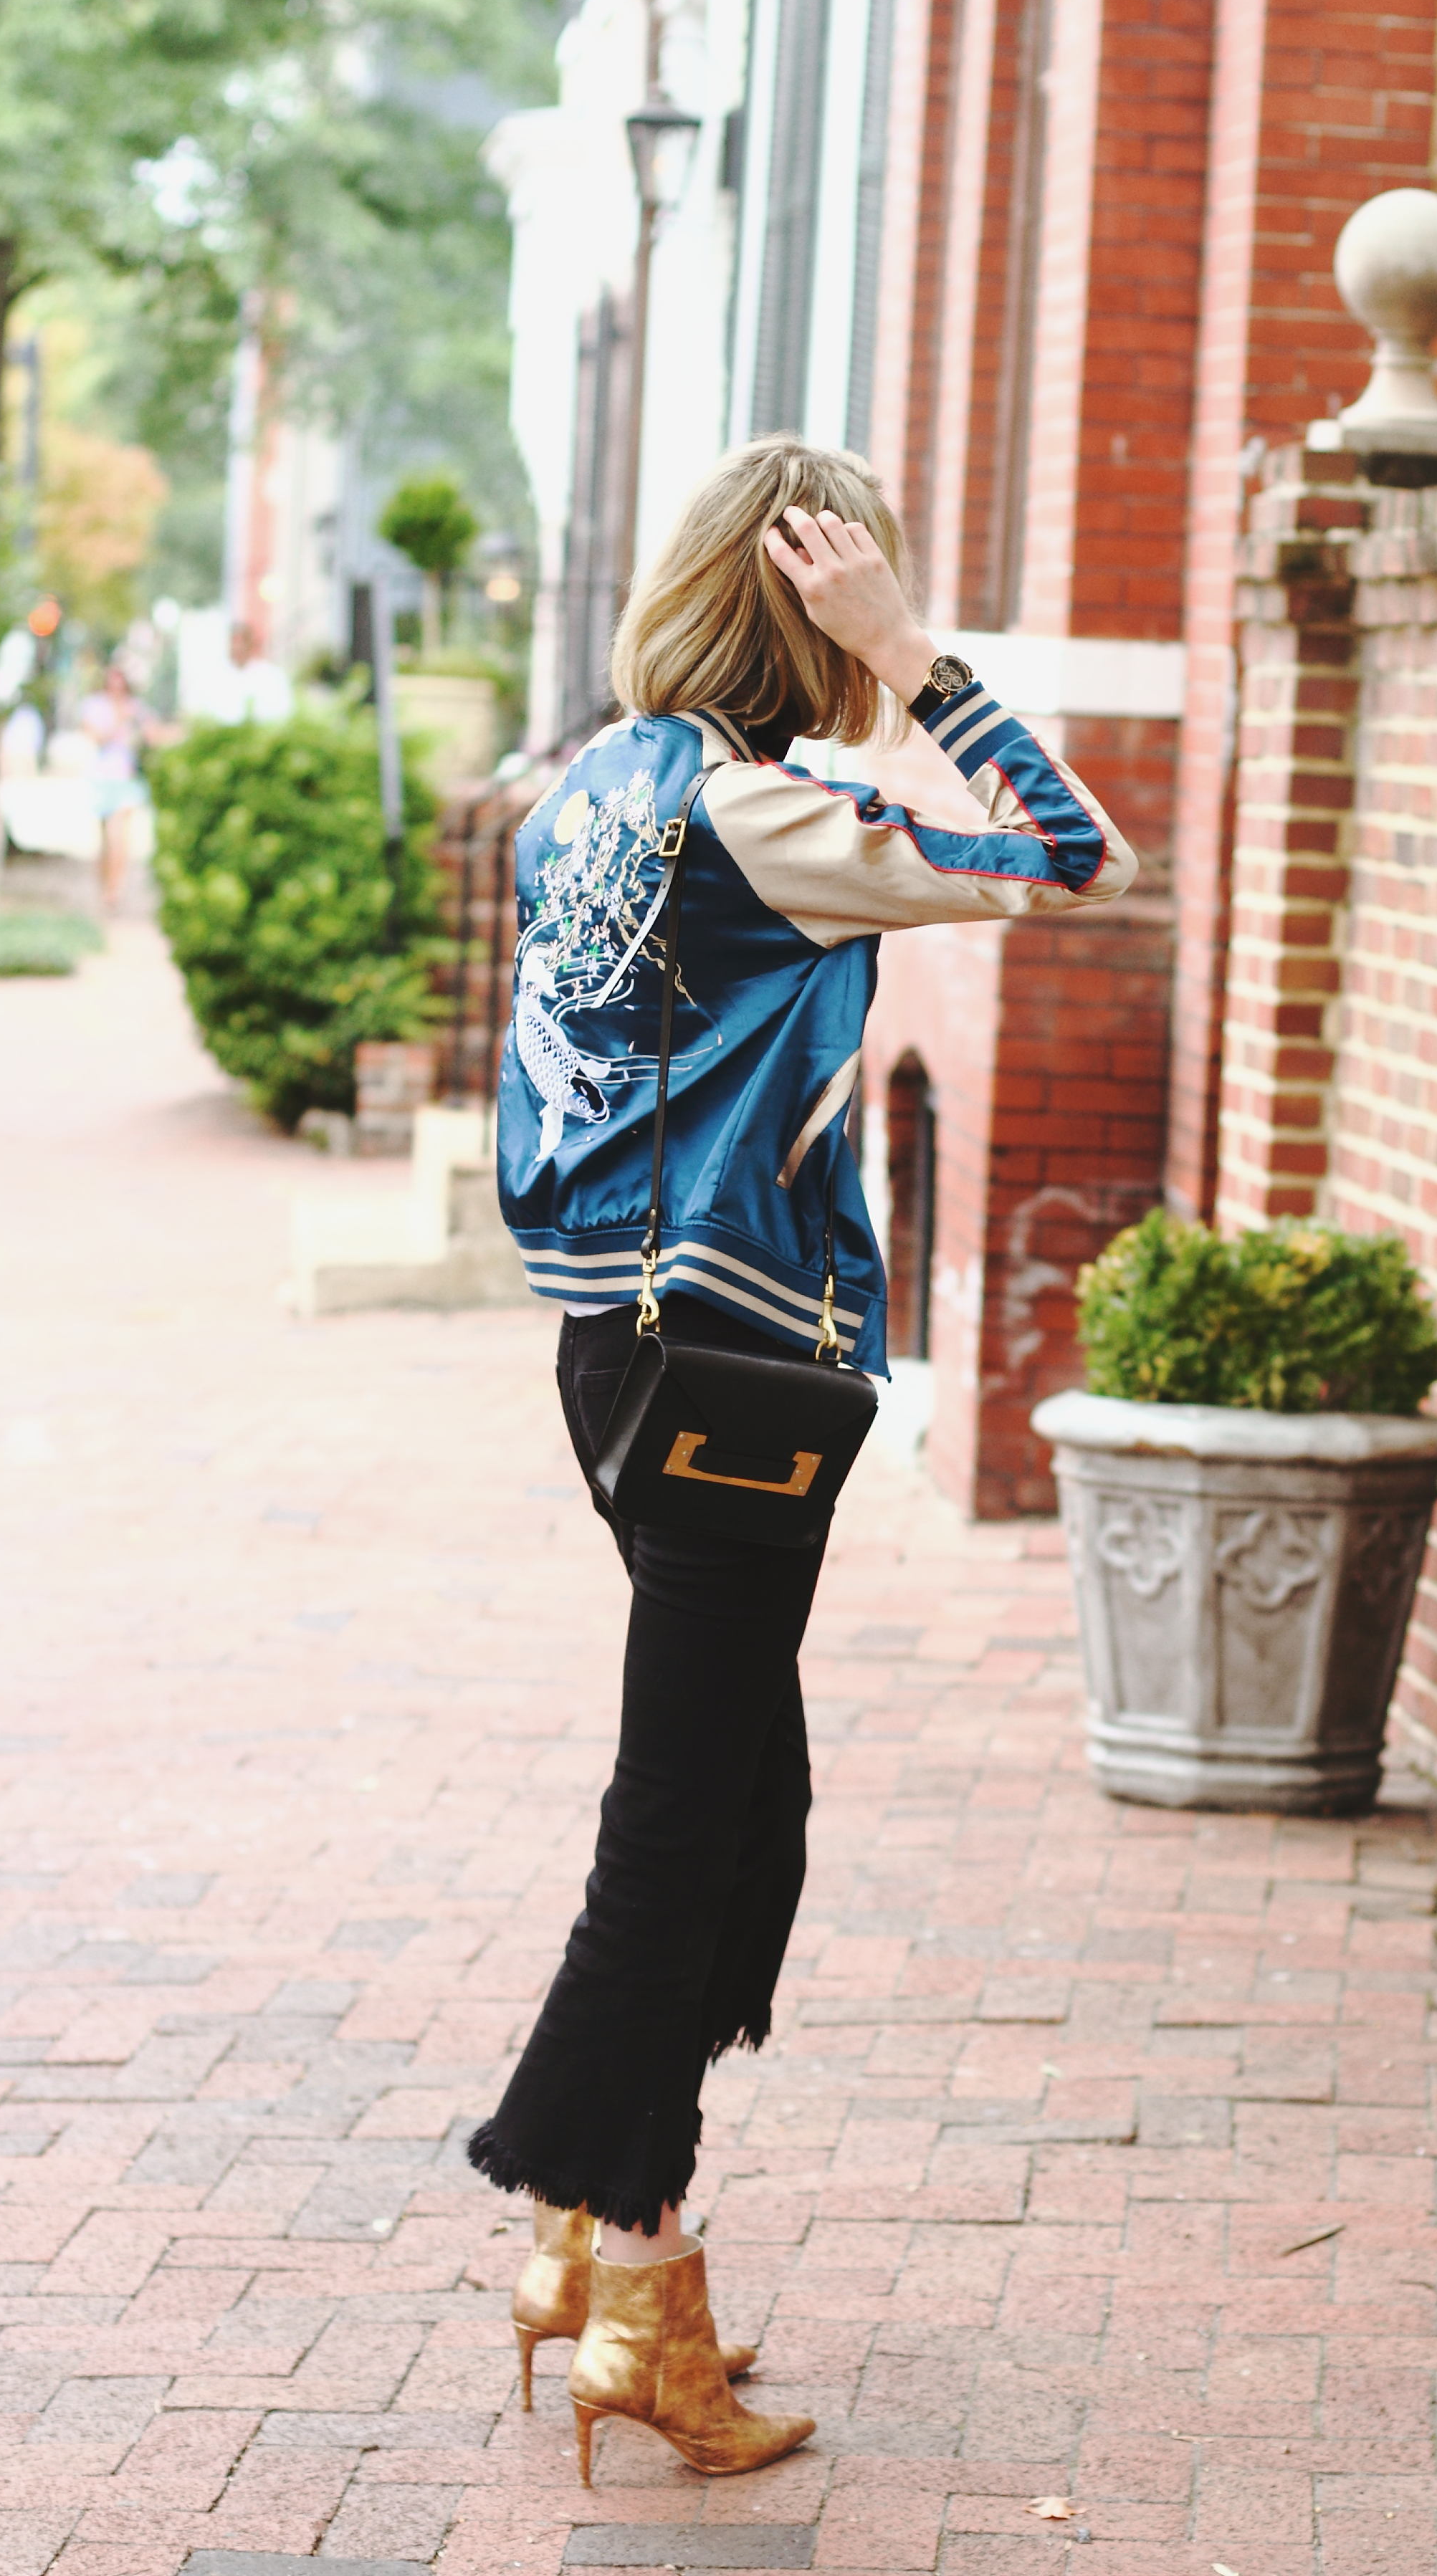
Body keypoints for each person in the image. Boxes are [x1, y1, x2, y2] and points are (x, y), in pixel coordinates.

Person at [466, 434, 1137, 2482]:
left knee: (747, 1804)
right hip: (744, 1369)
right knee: (687, 1830)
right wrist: (921, 662)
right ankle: (628, 2277)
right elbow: (1070, 851)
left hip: (614, 1349)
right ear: (808, 609)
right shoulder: (772, 813)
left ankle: (594, 2248)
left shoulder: (585, 793)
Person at [79, 662, 146, 911]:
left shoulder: (136, 707)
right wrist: (119, 720)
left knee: (119, 837)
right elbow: (96, 737)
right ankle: (104, 887)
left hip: (127, 779)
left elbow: (150, 733)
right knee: (104, 842)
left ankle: (114, 891)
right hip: (101, 778)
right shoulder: (94, 706)